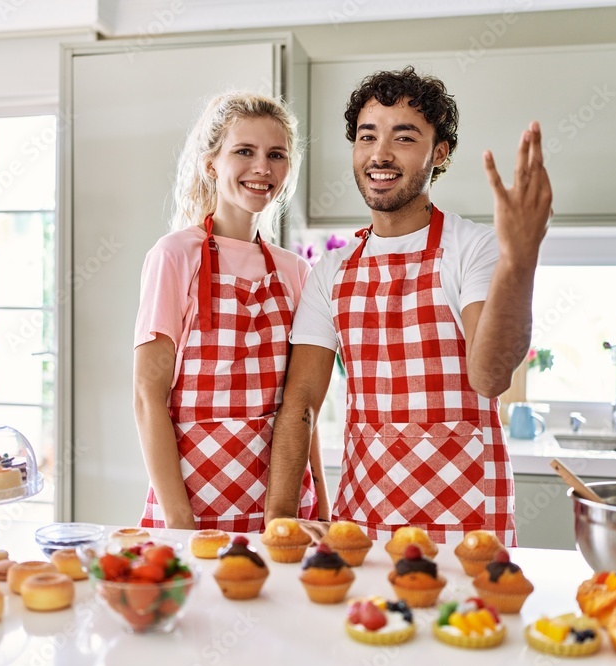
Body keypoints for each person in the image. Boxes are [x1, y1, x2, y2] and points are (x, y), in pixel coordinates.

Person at [266, 67, 552, 546]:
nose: (379, 154)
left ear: (439, 153)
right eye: (366, 136)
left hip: (466, 526)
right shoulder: (331, 271)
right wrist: (280, 519)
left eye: (404, 137)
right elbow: (301, 403)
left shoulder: (473, 248)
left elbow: (490, 377)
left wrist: (519, 262)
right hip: (363, 524)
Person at [134, 92, 328, 532]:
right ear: (211, 164)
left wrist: (322, 503)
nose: (263, 167)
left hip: (282, 509)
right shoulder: (175, 257)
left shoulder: (294, 271)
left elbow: (303, 405)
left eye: (276, 155)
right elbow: (148, 398)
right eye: (245, 151)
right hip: (193, 503)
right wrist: (180, 519)